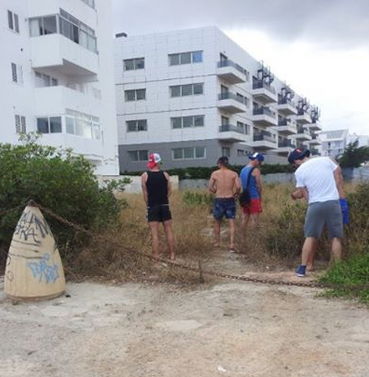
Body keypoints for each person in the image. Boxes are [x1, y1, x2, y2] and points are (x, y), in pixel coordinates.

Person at [288, 148, 346, 277]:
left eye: (294, 163)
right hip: (332, 201)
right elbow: (339, 177)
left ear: (297, 160)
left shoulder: (299, 171)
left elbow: (303, 193)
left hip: (315, 204)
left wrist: (311, 201)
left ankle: (302, 268)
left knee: (310, 236)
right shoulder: (326, 160)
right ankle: (337, 269)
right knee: (335, 237)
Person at [141, 153, 175, 262]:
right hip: (164, 205)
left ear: (152, 163)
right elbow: (169, 190)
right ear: (159, 162)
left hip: (152, 206)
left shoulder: (145, 175)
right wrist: (164, 199)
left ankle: (156, 256)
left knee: (154, 233)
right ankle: (172, 255)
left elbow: (145, 194)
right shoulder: (165, 175)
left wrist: (148, 205)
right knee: (169, 231)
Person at [208, 156, 241, 252]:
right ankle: (231, 244)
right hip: (230, 198)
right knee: (231, 222)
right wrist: (236, 194)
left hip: (219, 199)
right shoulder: (233, 174)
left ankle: (217, 242)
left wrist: (215, 191)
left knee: (217, 221)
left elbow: (210, 186)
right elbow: (238, 187)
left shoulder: (215, 173)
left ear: (219, 163)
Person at [240, 152, 264, 236]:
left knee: (244, 218)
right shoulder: (256, 170)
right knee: (254, 219)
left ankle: (243, 237)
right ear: (256, 161)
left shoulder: (243, 170)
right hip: (254, 197)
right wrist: (260, 196)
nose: (259, 164)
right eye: (260, 162)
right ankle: (254, 238)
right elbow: (259, 185)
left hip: (245, 197)